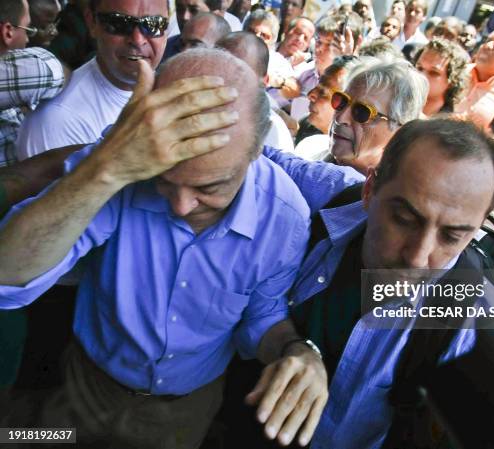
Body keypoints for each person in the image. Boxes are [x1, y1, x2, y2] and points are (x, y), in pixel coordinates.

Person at [0, 49, 327, 448]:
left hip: (183, 415)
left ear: (258, 149)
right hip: (80, 393)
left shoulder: (285, 216)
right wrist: (107, 169)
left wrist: (298, 350)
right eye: (163, 180)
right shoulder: (119, 162)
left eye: (209, 188)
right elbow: (7, 274)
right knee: (31, 440)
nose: (180, 206)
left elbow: (263, 315)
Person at [264, 118, 494, 448]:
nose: (418, 257)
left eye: (452, 236)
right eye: (405, 219)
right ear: (369, 189)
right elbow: (256, 152)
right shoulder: (331, 191)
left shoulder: (471, 325)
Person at [16, 0, 169, 161]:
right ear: (91, 22)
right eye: (119, 23)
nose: (138, 39)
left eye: (154, 24)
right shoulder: (56, 120)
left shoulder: (173, 83)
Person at [1, 0, 65, 166]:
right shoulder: (38, 69)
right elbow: (50, 70)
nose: (28, 39)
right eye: (29, 30)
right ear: (8, 32)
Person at [217, 31, 295, 152]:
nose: (225, 77)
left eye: (239, 72)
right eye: (218, 65)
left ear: (264, 81)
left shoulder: (273, 133)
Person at [294, 56, 358, 158]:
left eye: (323, 92)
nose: (311, 94)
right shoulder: (303, 125)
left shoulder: (345, 163)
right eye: (317, 85)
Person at [415, 37, 470, 116]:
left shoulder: (448, 126)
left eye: (433, 73)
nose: (421, 76)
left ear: (452, 81)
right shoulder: (397, 103)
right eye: (419, 68)